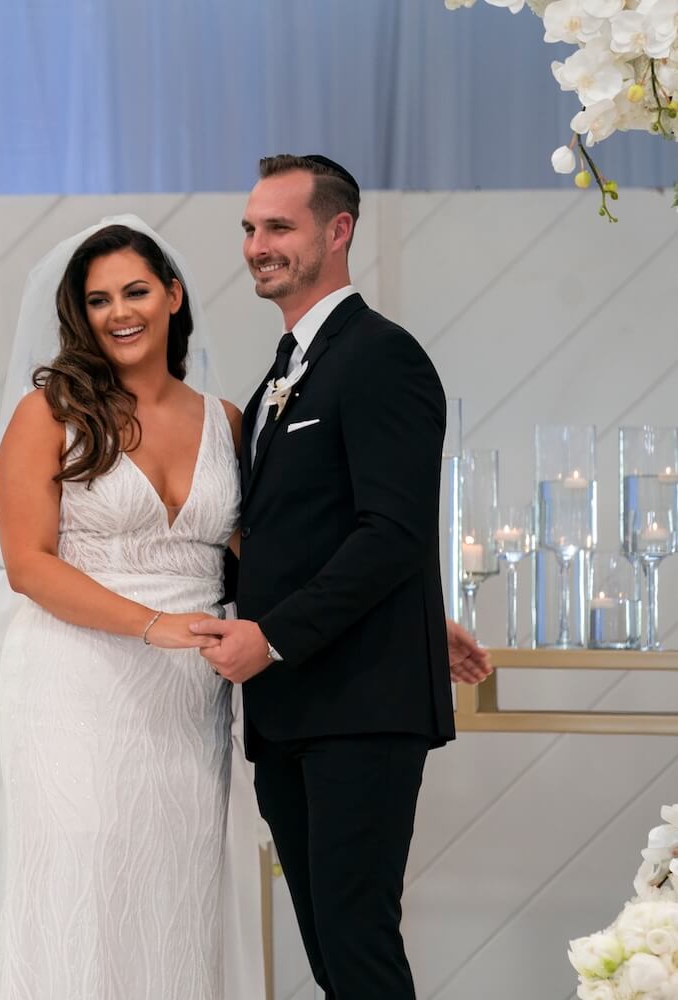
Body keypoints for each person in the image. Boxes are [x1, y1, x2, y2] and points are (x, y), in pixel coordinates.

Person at [0, 217, 260, 1000]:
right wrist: (152, 623)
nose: (118, 312)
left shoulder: (227, 421)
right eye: (98, 300)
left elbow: (264, 557)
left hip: (187, 698)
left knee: (176, 889)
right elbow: (29, 567)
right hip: (74, 683)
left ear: (172, 295)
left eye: (135, 290)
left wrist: (394, 616)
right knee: (79, 880)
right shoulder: (49, 415)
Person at [191, 154, 494, 1000]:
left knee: (358, 944)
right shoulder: (283, 371)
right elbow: (300, 531)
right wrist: (414, 616)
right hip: (292, 706)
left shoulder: (382, 357)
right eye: (250, 229)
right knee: (330, 950)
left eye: (278, 227)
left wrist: (276, 633)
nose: (258, 245)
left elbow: (391, 532)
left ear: (339, 230)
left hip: (359, 706)